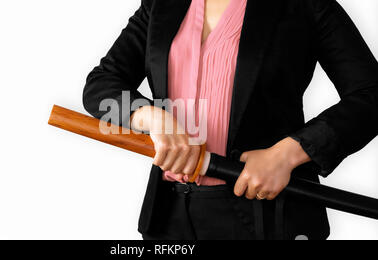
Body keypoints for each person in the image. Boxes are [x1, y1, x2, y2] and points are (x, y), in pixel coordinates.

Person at [83, 0, 378, 240]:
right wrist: (149, 116)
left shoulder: (307, 5)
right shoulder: (161, 5)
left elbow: (371, 94)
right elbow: (101, 84)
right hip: (169, 216)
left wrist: (288, 153)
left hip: (266, 215)